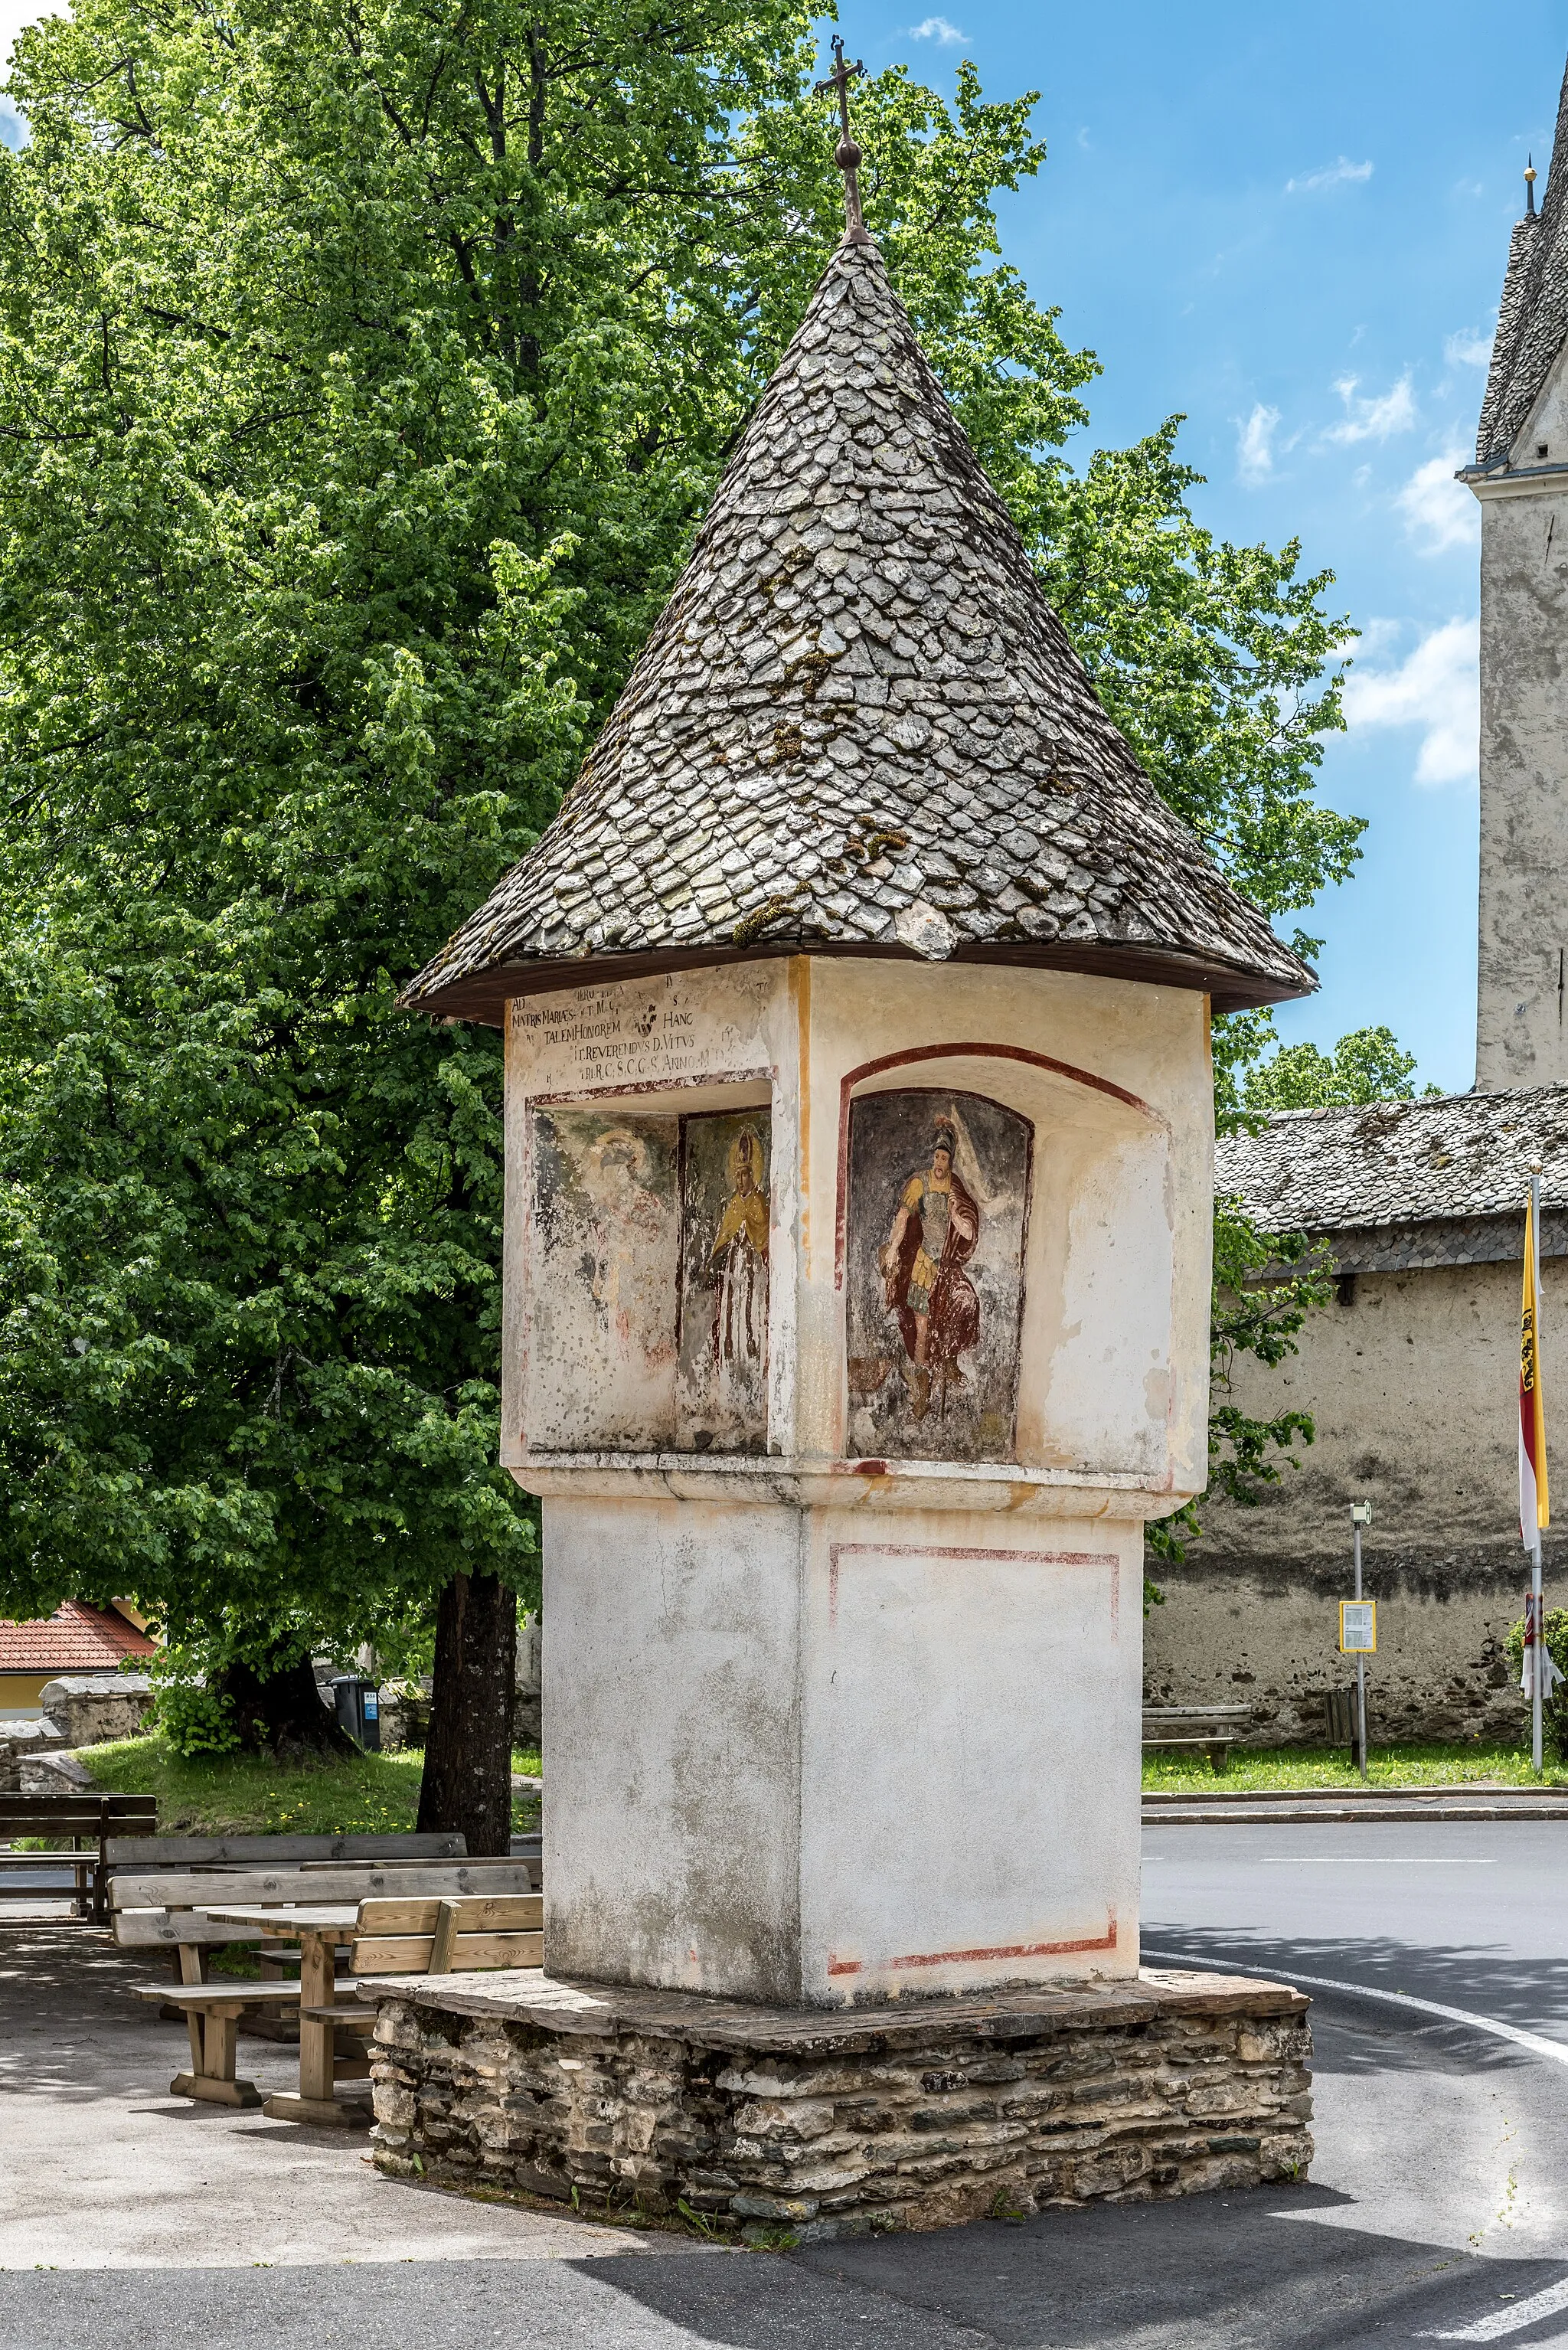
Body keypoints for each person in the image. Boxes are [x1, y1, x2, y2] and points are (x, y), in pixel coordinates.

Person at [878, 1113, 979, 1420]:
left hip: (946, 1266)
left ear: (951, 1161)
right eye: (936, 1156)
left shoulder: (956, 1189)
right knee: (922, 1326)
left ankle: (949, 1362)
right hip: (923, 1264)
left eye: (944, 1157)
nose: (939, 1162)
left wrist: (955, 1213)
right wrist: (894, 1249)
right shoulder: (919, 1182)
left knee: (966, 1303)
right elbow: (902, 1217)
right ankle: (922, 1394)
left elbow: (968, 1231)